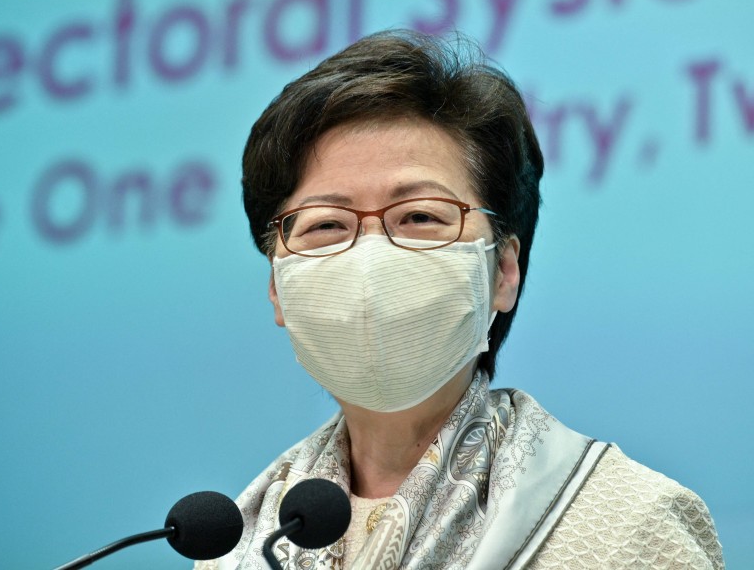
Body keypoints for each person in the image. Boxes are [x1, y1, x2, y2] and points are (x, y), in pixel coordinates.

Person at [199, 30, 724, 569]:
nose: (370, 262)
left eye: (420, 217)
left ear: (502, 270)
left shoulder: (627, 527)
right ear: (278, 286)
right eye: (327, 225)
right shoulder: (234, 549)